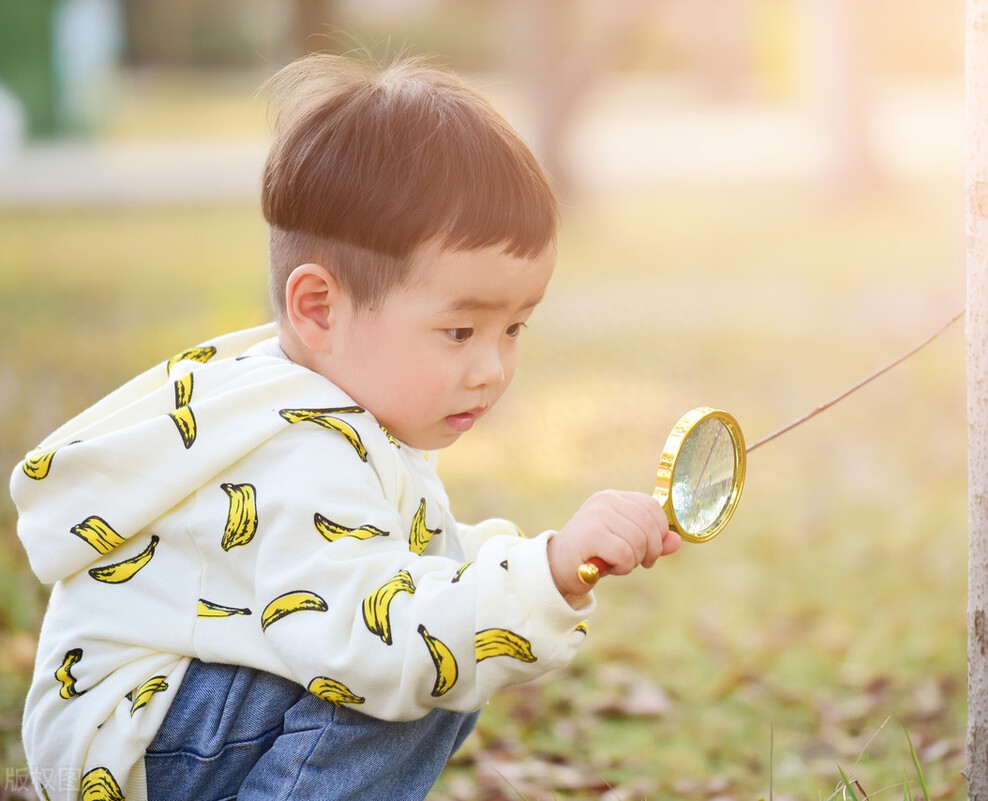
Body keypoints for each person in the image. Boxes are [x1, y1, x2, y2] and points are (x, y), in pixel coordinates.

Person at [11, 53, 679, 801]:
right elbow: (381, 638)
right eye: (460, 331)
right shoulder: (298, 450)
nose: (492, 367)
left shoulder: (326, 401)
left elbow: (421, 558)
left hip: (156, 730)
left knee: (451, 640)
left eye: (515, 327)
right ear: (319, 308)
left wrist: (548, 562)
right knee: (420, 662)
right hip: (144, 747)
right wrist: (544, 577)